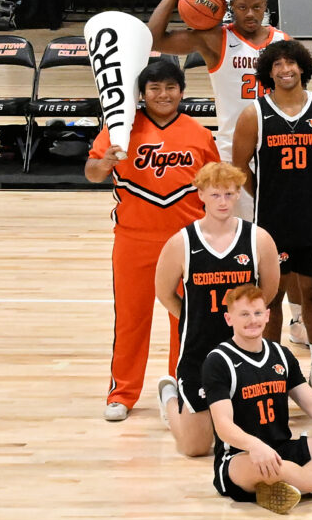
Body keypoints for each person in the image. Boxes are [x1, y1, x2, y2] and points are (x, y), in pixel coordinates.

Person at [86, 54, 220, 420]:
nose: (163, 94)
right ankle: (123, 393)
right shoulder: (120, 127)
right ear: (142, 93)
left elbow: (213, 185)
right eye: (154, 88)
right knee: (132, 317)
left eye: (170, 87)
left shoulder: (199, 133)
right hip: (134, 238)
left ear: (182, 91)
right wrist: (106, 162)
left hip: (186, 242)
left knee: (186, 320)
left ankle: (182, 388)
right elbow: (93, 173)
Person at [204, 284, 312, 512]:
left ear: (268, 315)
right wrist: (255, 445)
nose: (253, 320)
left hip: (282, 449)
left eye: (258, 313)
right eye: (244, 315)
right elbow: (223, 425)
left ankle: (296, 486)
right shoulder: (218, 361)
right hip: (242, 457)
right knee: (280, 468)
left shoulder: (281, 354)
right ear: (229, 319)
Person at [155, 162, 278, 456]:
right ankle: (170, 396)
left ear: (238, 195)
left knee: (253, 439)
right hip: (199, 351)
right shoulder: (181, 242)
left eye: (228, 194)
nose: (222, 202)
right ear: (200, 195)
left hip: (244, 351)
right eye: (215, 195)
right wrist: (191, 317)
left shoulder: (258, 239)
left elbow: (268, 293)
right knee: (195, 448)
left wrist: (246, 319)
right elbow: (163, 292)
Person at [232, 39, 312, 350]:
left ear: (302, 67)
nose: (285, 69)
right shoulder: (254, 114)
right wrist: (266, 191)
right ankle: (270, 363)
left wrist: (309, 187)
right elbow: (240, 168)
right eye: (277, 64)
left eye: (290, 62)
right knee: (270, 297)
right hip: (272, 222)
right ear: (268, 72)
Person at [147, 0, 283, 160]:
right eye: (242, 7)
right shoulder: (215, 40)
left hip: (275, 147)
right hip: (232, 150)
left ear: (265, 6)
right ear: (231, 7)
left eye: (256, 7)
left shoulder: (283, 42)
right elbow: (153, 40)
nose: (250, 14)